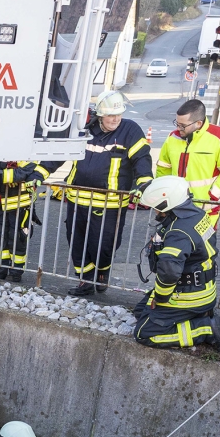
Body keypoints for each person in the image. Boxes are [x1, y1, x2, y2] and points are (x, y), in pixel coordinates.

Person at [63, 90, 152, 296]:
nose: (116, 119)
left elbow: (141, 158)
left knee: (105, 244)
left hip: (110, 204)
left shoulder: (130, 130)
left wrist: (144, 181)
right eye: (111, 115)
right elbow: (62, 152)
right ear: (100, 115)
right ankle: (85, 281)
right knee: (76, 242)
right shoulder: (86, 129)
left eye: (119, 114)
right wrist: (40, 172)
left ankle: (102, 271)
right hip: (77, 199)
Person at [131, 176, 220, 353]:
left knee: (144, 334)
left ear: (165, 204)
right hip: (200, 288)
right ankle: (199, 315)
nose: (154, 211)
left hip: (187, 296)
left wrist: (160, 299)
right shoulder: (196, 214)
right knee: (140, 312)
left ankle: (205, 329)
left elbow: (168, 273)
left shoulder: (178, 232)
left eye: (155, 206)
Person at [155, 99, 220, 227]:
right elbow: (163, 168)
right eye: (177, 123)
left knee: (202, 246)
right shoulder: (173, 137)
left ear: (198, 123)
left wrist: (212, 197)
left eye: (183, 125)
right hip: (175, 208)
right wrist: (162, 197)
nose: (178, 128)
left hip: (205, 211)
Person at [0, 160, 58, 282]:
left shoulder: (26, 151)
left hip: (20, 205)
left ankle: (15, 272)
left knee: (17, 239)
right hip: (0, 203)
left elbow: (21, 173)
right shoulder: (1, 148)